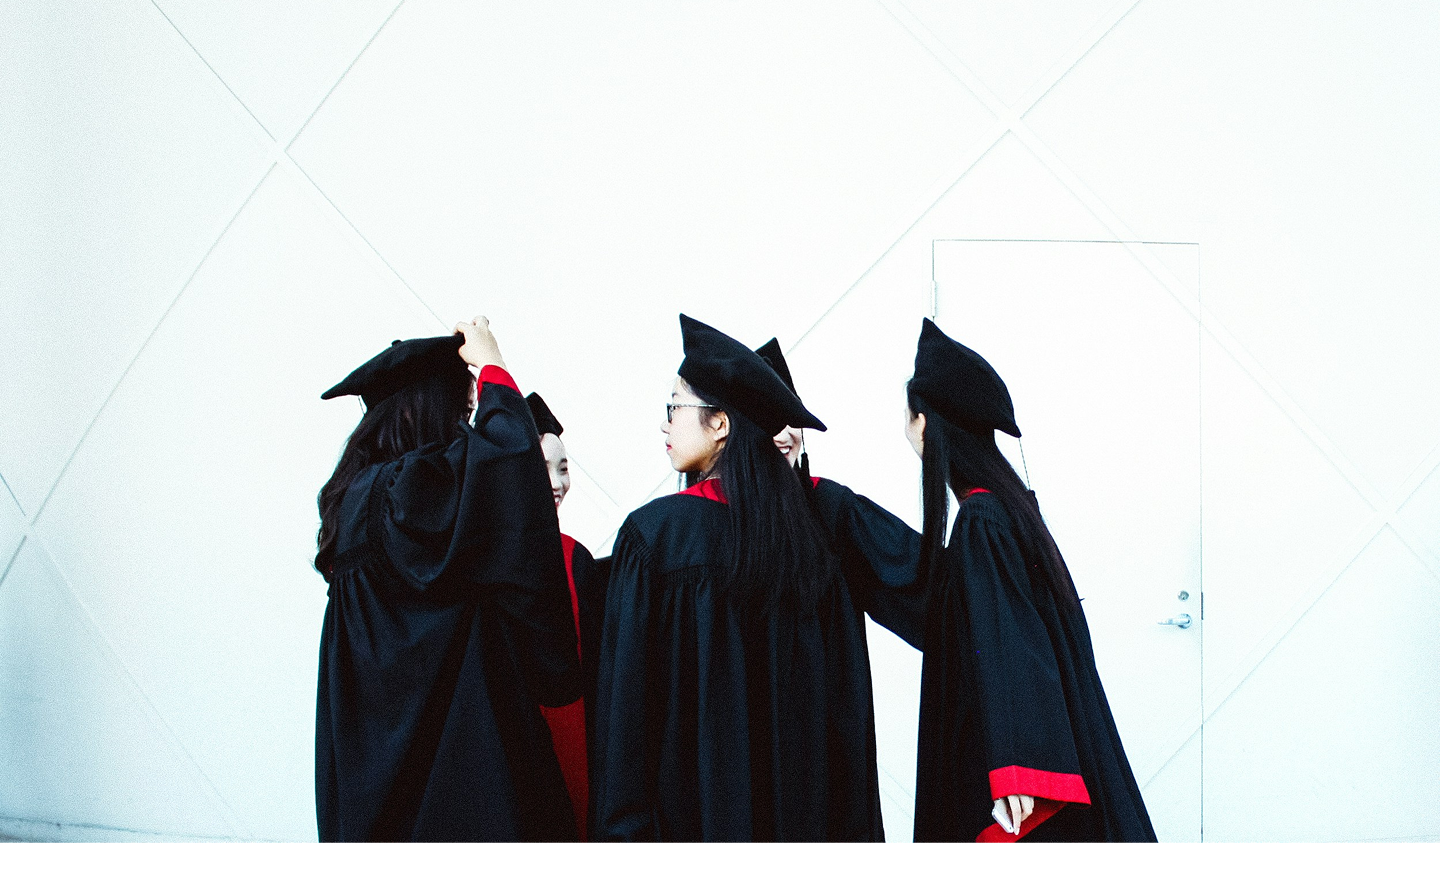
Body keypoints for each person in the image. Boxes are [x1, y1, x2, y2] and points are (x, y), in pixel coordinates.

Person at [591, 314, 887, 841]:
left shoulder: (655, 538)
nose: (665, 424)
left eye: (675, 407)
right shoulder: (809, 541)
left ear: (720, 424)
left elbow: (627, 724)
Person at [314, 318, 581, 842]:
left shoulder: (352, 503)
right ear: (422, 412)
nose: (465, 431)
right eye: (461, 414)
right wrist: (493, 368)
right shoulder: (407, 492)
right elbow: (506, 467)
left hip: (374, 782)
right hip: (455, 777)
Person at [904, 318, 1155, 843]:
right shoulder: (1007, 509)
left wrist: (1018, 770)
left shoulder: (981, 520)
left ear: (925, 424)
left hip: (1003, 770)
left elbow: (1013, 643)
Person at [753, 338, 925, 650]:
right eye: (769, 420)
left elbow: (922, 582)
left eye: (791, 418)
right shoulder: (704, 521)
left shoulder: (831, 508)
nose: (784, 434)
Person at [525, 391, 608, 840]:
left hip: (572, 739)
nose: (558, 483)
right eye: (543, 468)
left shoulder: (576, 559)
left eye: (563, 468)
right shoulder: (477, 559)